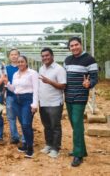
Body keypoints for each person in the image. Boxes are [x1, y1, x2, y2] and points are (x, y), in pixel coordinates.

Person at [64, 37, 98, 167]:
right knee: (74, 124)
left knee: (77, 124)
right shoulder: (67, 60)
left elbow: (94, 78)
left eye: (76, 45)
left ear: (81, 45)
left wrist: (89, 83)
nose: (74, 47)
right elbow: (64, 76)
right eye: (71, 46)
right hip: (68, 97)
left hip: (80, 97)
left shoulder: (89, 59)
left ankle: (78, 155)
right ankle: (81, 150)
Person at [6, 56, 39, 158]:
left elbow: (36, 89)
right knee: (22, 123)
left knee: (26, 124)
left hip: (27, 100)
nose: (20, 63)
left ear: (26, 62)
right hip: (17, 100)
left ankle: (30, 148)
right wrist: (7, 83)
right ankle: (25, 145)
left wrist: (34, 104)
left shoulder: (32, 73)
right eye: (18, 62)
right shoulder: (16, 74)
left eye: (22, 62)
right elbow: (14, 89)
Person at [38, 48, 66, 158]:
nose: (45, 58)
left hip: (54, 103)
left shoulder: (59, 69)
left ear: (52, 56)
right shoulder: (41, 69)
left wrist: (49, 81)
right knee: (47, 126)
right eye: (43, 56)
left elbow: (63, 86)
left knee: (55, 126)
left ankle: (56, 148)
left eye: (47, 55)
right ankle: (49, 144)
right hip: (43, 102)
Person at [5, 48, 25, 144]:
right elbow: (4, 81)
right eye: (12, 54)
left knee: (22, 117)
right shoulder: (6, 68)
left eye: (16, 54)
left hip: (22, 96)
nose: (14, 56)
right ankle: (15, 136)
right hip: (10, 96)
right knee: (11, 117)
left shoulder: (22, 67)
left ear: (19, 55)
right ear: (9, 57)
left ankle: (25, 137)